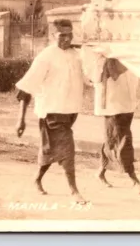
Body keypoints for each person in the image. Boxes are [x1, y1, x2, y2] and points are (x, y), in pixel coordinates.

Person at [14, 19, 90, 204]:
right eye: (61, 35)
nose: (66, 39)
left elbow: (89, 75)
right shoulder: (45, 57)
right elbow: (26, 88)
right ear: (52, 36)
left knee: (52, 150)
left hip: (71, 111)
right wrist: (20, 119)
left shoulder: (77, 55)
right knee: (67, 149)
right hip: (51, 112)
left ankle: (37, 179)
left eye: (69, 34)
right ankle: (74, 191)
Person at [94, 57, 140, 194]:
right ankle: (135, 181)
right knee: (123, 141)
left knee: (112, 140)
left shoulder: (129, 54)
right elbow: (102, 74)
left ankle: (100, 172)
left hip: (127, 103)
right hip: (113, 105)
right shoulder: (107, 56)